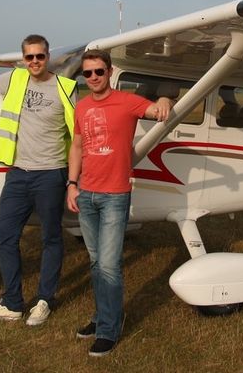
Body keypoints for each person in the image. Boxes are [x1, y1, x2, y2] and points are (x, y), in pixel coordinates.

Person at [0, 34, 77, 326]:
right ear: (23, 59)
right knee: (5, 235)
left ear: (47, 57)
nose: (34, 62)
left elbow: (78, 135)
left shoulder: (65, 87)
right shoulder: (14, 79)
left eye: (40, 56)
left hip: (51, 173)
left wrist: (75, 178)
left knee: (51, 237)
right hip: (18, 174)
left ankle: (44, 300)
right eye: (29, 57)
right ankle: (12, 302)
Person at [66, 49, 172, 357]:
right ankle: (101, 317)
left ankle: (109, 329)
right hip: (86, 193)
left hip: (114, 195)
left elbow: (157, 111)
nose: (94, 78)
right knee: (97, 264)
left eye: (99, 71)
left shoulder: (128, 102)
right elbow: (77, 146)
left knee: (110, 266)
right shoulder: (82, 107)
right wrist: (72, 185)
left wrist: (166, 100)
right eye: (88, 74)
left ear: (109, 72)